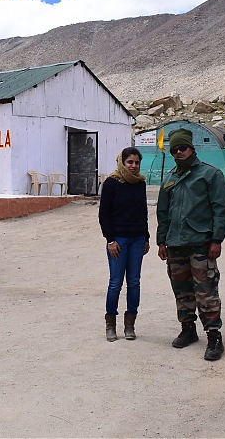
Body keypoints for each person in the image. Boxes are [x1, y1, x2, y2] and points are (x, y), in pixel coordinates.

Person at [156, 129, 225, 360]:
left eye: (183, 148)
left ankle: (214, 337)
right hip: (175, 244)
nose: (179, 152)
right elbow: (163, 212)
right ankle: (188, 330)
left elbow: (222, 210)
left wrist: (216, 240)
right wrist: (162, 241)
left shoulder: (209, 175)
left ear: (192, 148)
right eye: (175, 150)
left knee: (206, 290)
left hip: (201, 243)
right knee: (181, 290)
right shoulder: (169, 178)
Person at [98, 147, 150, 342]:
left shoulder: (140, 183)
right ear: (122, 162)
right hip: (118, 240)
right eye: (130, 162)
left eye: (137, 163)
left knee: (134, 282)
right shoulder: (111, 183)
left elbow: (143, 212)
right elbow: (104, 214)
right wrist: (110, 240)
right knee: (115, 283)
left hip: (137, 239)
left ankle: (130, 325)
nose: (134, 166)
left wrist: (146, 237)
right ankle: (110, 325)